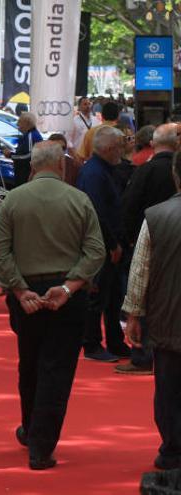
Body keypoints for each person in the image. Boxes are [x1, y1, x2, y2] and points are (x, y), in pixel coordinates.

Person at [0, 141, 105, 470]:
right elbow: (95, 251)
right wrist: (71, 287)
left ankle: (30, 428)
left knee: (29, 362)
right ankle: (41, 446)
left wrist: (19, 288)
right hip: (67, 293)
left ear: (32, 167)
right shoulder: (79, 200)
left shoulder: (13, 199)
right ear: (61, 166)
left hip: (26, 293)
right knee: (57, 369)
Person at [123, 152, 181, 470]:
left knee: (168, 388)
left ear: (175, 175)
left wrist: (133, 313)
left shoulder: (156, 216)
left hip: (167, 317)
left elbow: (140, 269)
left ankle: (172, 448)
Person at [118, 123, 180, 374]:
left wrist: (128, 239)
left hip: (154, 235)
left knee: (153, 294)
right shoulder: (166, 169)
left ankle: (143, 355)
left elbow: (129, 207)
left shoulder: (145, 171)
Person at [77, 126, 129, 362]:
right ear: (108, 148)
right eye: (120, 145)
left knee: (113, 296)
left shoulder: (103, 170)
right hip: (102, 245)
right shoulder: (95, 173)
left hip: (109, 243)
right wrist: (112, 244)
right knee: (98, 296)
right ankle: (92, 344)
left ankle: (115, 341)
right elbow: (98, 213)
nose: (123, 149)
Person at [10, 112, 43, 187]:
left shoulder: (31, 136)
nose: (17, 124)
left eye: (20, 122)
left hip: (26, 175)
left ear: (27, 123)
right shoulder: (29, 135)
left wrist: (11, 155)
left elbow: (29, 156)